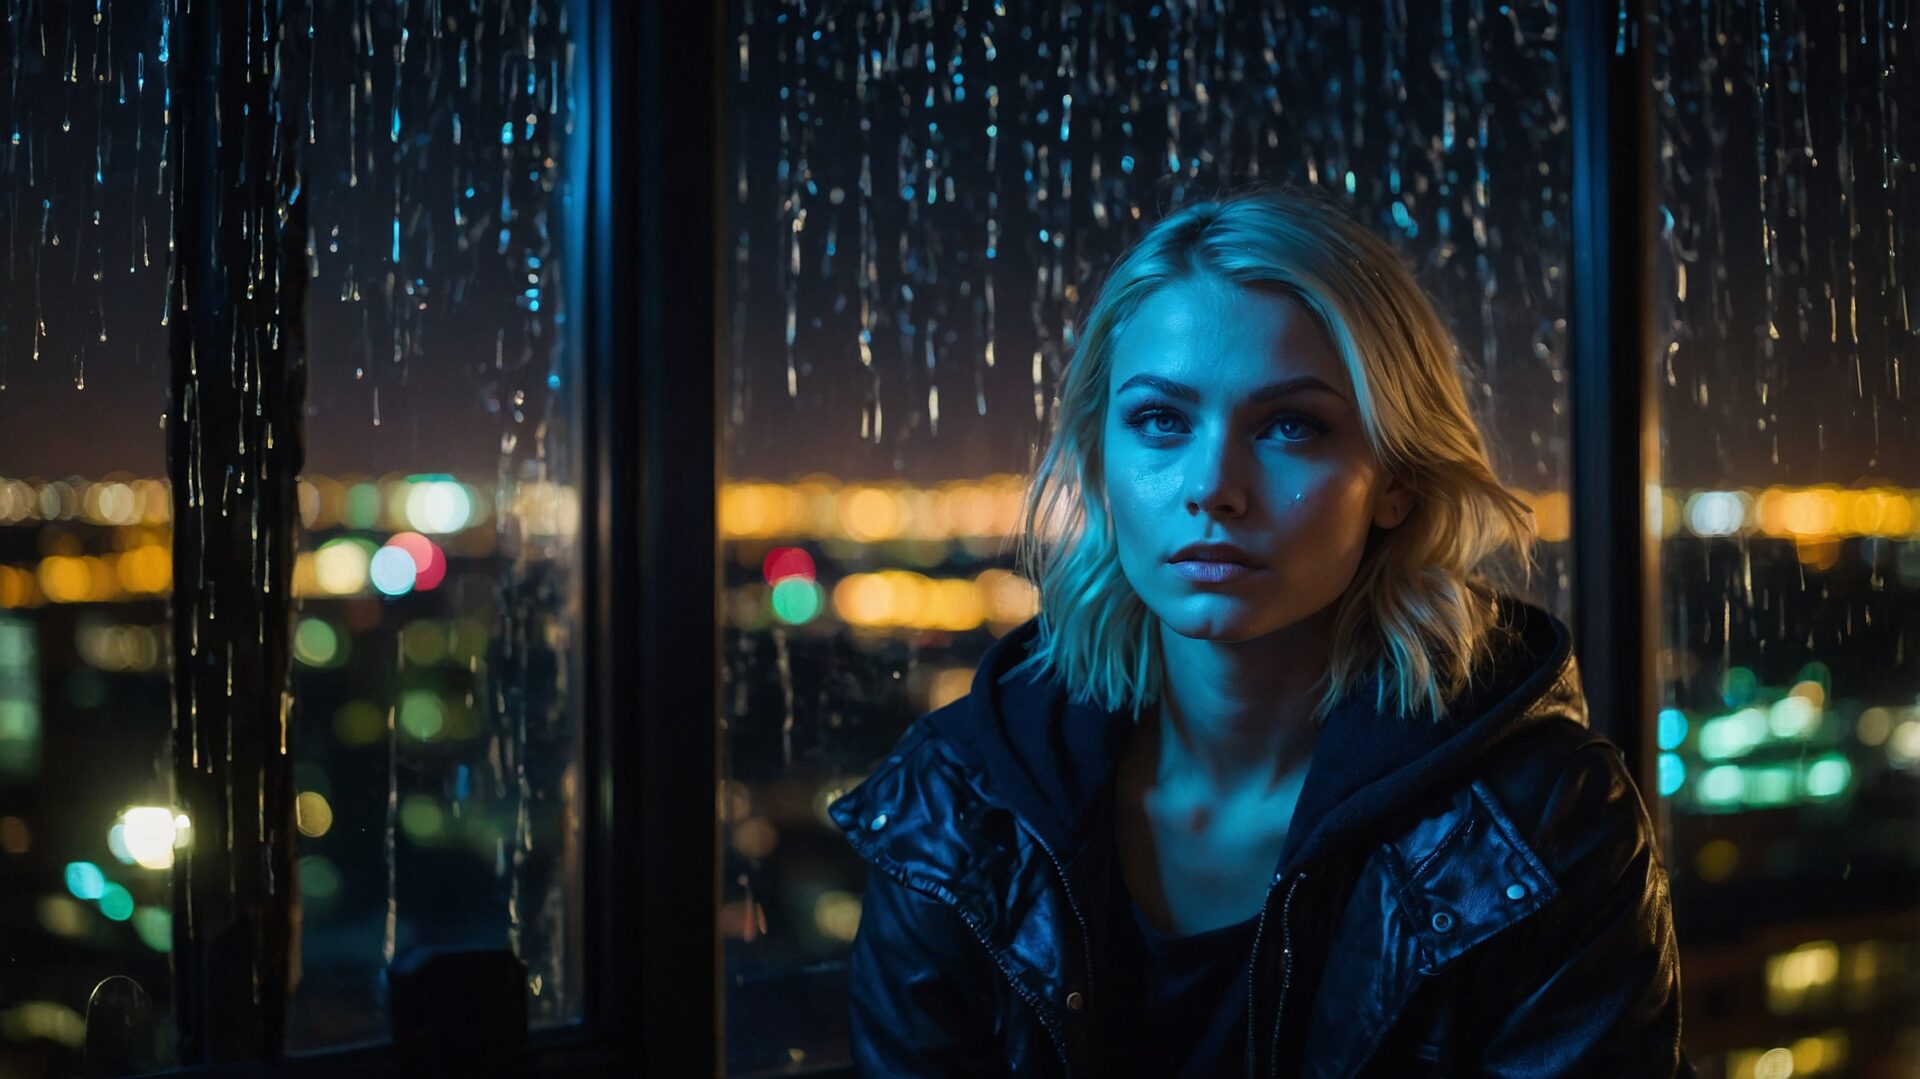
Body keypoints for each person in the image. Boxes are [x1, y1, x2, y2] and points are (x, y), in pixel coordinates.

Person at [827, 185, 1691, 1077]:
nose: (1214, 486)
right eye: (1161, 420)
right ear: (1100, 462)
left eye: (1289, 425)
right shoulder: (956, 809)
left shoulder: (1536, 829)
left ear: (1394, 477)